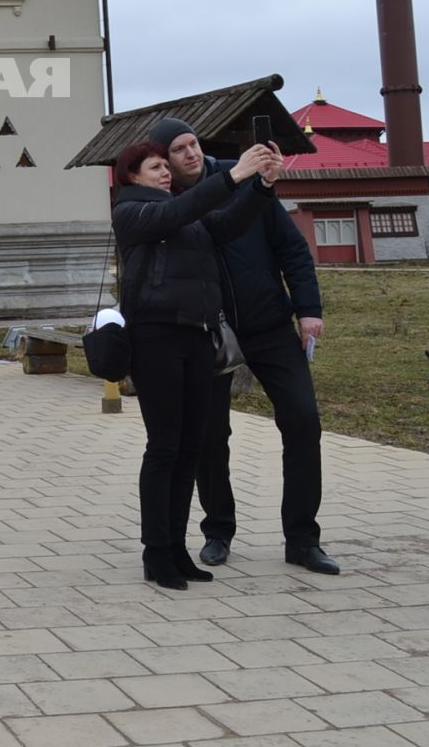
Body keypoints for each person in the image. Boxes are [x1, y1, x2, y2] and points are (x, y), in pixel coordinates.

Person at [148, 117, 339, 576]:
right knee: (211, 437)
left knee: (302, 420)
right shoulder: (167, 203)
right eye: (178, 149)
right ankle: (218, 531)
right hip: (207, 334)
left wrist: (307, 309)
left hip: (269, 324)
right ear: (165, 160)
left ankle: (302, 539)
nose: (191, 153)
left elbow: (291, 248)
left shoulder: (247, 177)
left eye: (193, 143)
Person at [111, 138, 281, 590]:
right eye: (154, 168)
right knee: (164, 448)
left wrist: (261, 188)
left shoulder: (182, 209)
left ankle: (177, 549)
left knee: (190, 448)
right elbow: (175, 216)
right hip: (156, 340)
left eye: (165, 168)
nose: (166, 173)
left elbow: (223, 226)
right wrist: (234, 175)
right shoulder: (132, 213)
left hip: (197, 338)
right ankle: (155, 553)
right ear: (132, 176)